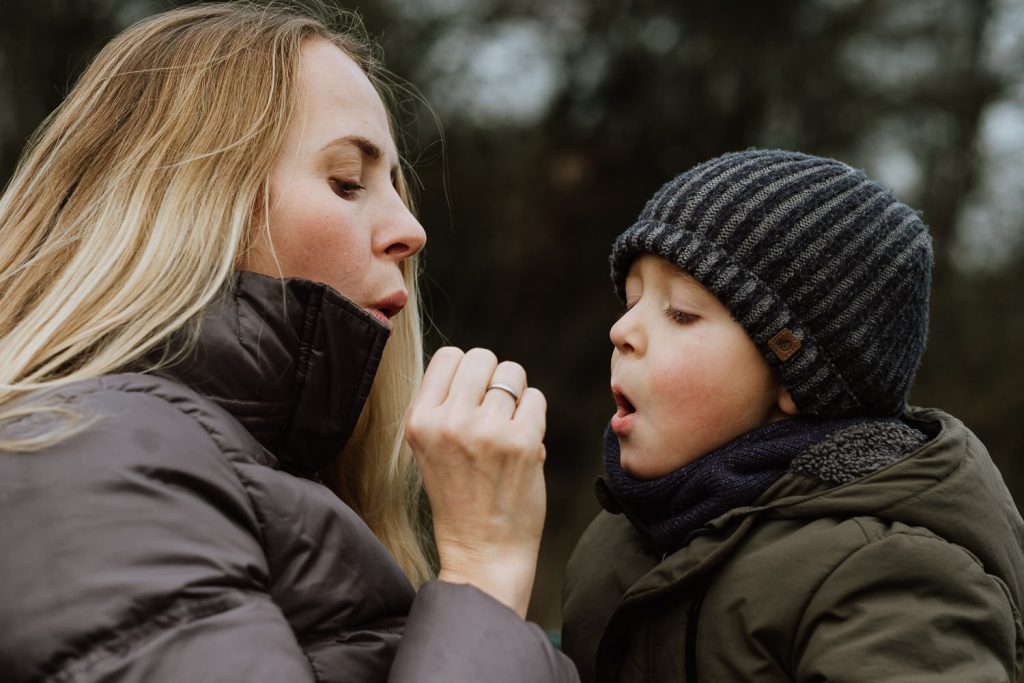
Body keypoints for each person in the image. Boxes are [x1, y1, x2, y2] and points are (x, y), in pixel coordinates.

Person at [0, 3, 577, 682]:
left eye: (396, 187)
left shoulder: (211, 465)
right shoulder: (93, 457)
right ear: (192, 203)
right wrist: (483, 575)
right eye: (348, 182)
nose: (411, 230)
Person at [561, 149, 1024, 682]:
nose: (622, 331)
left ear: (794, 376)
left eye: (681, 312)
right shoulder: (620, 537)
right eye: (631, 301)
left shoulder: (888, 575)